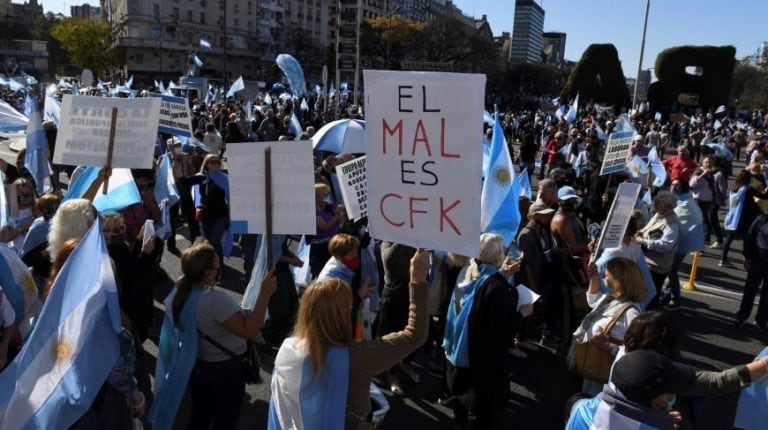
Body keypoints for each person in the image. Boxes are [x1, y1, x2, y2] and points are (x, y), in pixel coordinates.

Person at [269, 249, 430, 430]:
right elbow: (415, 335)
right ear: (340, 316)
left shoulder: (288, 349)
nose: (352, 306)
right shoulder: (358, 357)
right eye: (348, 305)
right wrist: (418, 280)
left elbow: (281, 407)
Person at [149, 240, 277, 430]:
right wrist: (265, 294)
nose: (219, 269)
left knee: (201, 413)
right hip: (225, 369)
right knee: (225, 419)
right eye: (218, 266)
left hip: (201, 363)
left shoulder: (180, 289)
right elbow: (250, 330)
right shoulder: (213, 300)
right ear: (208, 272)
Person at [442, 233, 532, 429]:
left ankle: (459, 417)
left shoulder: (467, 270)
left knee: (460, 398)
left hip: (458, 346)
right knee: (483, 409)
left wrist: (503, 276)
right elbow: (500, 329)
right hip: (481, 357)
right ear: (497, 256)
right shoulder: (495, 286)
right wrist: (522, 314)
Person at [571, 257, 644, 395]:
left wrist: (607, 346)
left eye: (607, 274)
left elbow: (633, 353)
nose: (604, 276)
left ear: (619, 280)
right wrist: (593, 278)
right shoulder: (613, 297)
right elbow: (594, 302)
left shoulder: (631, 314)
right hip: (590, 360)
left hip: (601, 369)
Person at [660, 180, 704, 309]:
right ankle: (668, 296)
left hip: (681, 243)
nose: (673, 187)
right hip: (681, 242)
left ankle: (676, 299)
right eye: (672, 184)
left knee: (671, 271)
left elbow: (673, 222)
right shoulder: (683, 201)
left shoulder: (684, 204)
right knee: (671, 270)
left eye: (676, 185)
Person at [637, 191, 681, 309]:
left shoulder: (672, 224)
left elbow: (666, 245)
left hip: (656, 266)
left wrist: (643, 241)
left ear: (669, 206)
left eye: (659, 202)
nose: (655, 203)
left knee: (651, 296)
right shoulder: (659, 214)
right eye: (656, 200)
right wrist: (641, 232)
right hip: (647, 261)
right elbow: (648, 228)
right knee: (642, 293)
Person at [722, 169, 768, 266]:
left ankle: (723, 259)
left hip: (733, 216)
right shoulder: (748, 189)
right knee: (747, 238)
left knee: (729, 238)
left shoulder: (734, 187)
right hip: (745, 217)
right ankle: (746, 259)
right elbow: (763, 196)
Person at [736, 209, 768, 330]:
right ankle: (742, 316)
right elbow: (749, 237)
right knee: (750, 291)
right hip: (757, 261)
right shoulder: (761, 219)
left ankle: (761, 320)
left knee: (767, 295)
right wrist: (747, 256)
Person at [193, 154, 230, 259]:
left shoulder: (225, 179)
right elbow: (188, 184)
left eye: (218, 162)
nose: (216, 165)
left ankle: (220, 265)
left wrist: (230, 218)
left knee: (215, 240)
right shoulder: (200, 177)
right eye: (212, 162)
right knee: (207, 241)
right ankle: (211, 264)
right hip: (206, 214)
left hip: (220, 214)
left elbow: (231, 199)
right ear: (207, 164)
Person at [309, 183, 344, 278]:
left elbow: (340, 221)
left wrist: (338, 214)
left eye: (329, 192)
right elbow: (325, 227)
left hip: (333, 244)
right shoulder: (313, 212)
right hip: (320, 248)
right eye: (325, 193)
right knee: (321, 274)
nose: (328, 195)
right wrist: (336, 217)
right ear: (317, 195)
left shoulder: (329, 206)